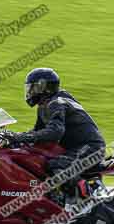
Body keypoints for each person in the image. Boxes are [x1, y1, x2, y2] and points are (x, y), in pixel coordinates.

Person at [8, 68, 106, 198]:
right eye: (29, 88)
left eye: (33, 87)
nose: (30, 92)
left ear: (44, 87)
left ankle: (87, 194)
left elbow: (55, 131)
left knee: (57, 164)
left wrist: (21, 137)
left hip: (90, 147)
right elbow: (38, 132)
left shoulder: (56, 103)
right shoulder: (46, 105)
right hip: (78, 147)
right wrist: (13, 136)